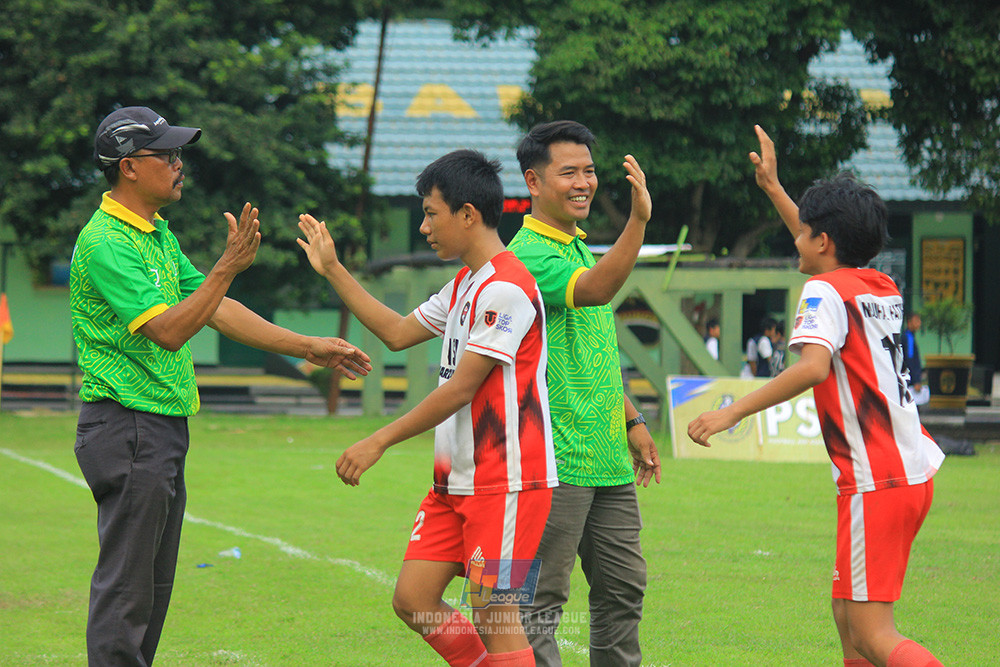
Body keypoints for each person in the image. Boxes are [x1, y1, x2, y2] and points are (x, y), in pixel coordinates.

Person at [71, 105, 372, 666]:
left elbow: (217, 310)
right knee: (126, 593)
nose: (179, 164)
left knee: (151, 591)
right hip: (129, 427)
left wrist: (311, 347)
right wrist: (225, 267)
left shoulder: (153, 234)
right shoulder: (107, 241)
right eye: (167, 154)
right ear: (129, 166)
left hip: (158, 430)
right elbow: (168, 329)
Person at [688, 125, 944, 667]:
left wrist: (731, 410)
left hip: (875, 479)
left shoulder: (823, 290)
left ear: (822, 241)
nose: (795, 239)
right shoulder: (877, 285)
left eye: (803, 233)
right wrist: (775, 189)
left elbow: (810, 368)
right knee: (847, 620)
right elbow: (824, 249)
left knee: (875, 635)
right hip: (907, 472)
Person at [297, 149, 557, 666]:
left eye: (431, 213)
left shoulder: (507, 287)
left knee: (495, 616)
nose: (423, 227)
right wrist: (332, 269)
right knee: (414, 600)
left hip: (506, 484)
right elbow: (396, 333)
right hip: (455, 482)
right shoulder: (465, 282)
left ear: (468, 214)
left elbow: (462, 389)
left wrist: (379, 439)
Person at [506, 120, 661, 666]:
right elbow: (596, 292)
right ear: (533, 181)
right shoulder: (528, 256)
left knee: (623, 592)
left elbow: (586, 357)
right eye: (567, 171)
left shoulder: (577, 247)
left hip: (607, 459)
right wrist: (639, 222)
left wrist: (632, 419)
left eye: (590, 171)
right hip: (555, 460)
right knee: (540, 602)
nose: (583, 182)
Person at [902, 312, 929, 405]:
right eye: (916, 321)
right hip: (910, 381)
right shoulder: (908, 338)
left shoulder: (910, 337)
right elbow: (910, 360)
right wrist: (916, 380)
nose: (919, 323)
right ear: (909, 323)